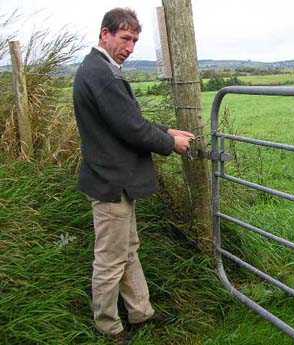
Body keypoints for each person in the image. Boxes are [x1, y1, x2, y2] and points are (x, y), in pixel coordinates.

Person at [72, 7, 194, 341]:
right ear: (104, 34)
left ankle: (142, 314)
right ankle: (108, 327)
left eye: (135, 40)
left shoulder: (100, 69)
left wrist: (164, 129)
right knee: (111, 259)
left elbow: (128, 121)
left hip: (114, 178)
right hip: (112, 182)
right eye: (125, 38)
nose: (130, 47)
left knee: (127, 250)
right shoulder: (101, 74)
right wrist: (169, 142)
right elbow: (132, 128)